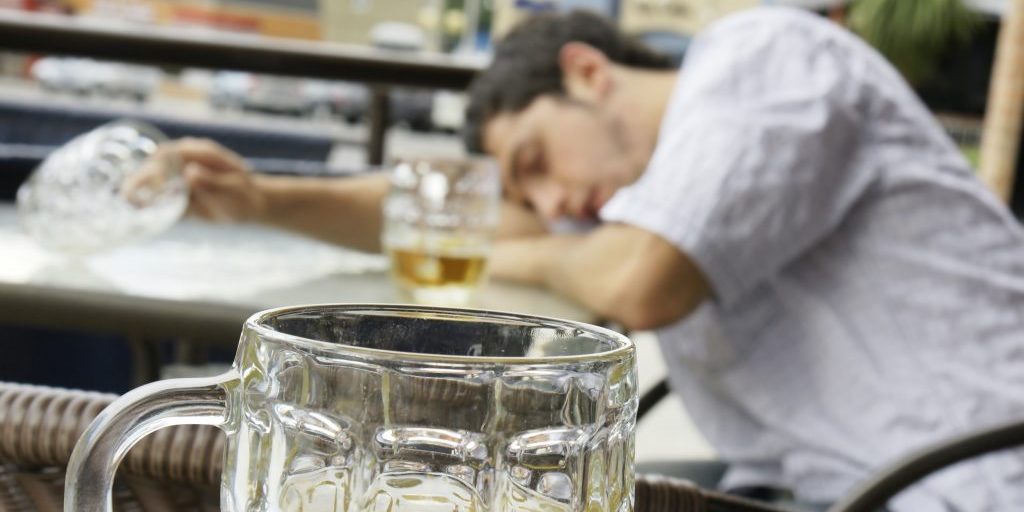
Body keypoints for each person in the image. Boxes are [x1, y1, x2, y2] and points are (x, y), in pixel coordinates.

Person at [170, 7, 1024, 510]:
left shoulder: (765, 58)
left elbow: (634, 284)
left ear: (586, 72)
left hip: (973, 475)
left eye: (536, 161)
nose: (544, 206)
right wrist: (264, 198)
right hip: (837, 484)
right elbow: (451, 211)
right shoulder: (640, 188)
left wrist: (539, 251)